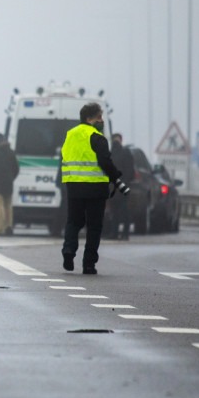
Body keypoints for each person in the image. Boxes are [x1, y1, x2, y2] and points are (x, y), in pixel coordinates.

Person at [60, 103, 129, 275]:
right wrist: (115, 175)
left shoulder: (70, 134)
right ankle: (88, 264)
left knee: (73, 222)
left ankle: (68, 250)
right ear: (89, 118)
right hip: (95, 188)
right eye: (99, 117)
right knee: (94, 226)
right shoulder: (97, 138)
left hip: (73, 185)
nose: (102, 120)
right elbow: (105, 161)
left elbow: (64, 157)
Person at [107, 133, 135, 240]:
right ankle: (121, 233)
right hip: (119, 186)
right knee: (120, 211)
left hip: (115, 186)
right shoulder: (123, 153)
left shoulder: (113, 153)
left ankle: (118, 233)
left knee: (119, 211)